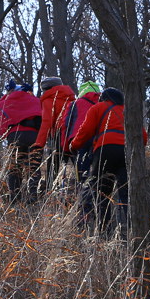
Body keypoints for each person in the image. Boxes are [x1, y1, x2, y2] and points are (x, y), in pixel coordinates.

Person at [67, 86, 146, 234]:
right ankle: (134, 230)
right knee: (126, 193)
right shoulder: (127, 110)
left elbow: (85, 131)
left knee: (102, 193)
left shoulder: (98, 108)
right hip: (126, 152)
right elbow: (143, 137)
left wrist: (73, 145)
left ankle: (105, 231)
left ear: (104, 98)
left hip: (104, 150)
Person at [0, 80, 43, 203]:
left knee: (14, 167)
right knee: (33, 166)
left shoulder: (7, 100)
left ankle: (15, 198)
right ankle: (33, 197)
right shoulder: (35, 100)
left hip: (15, 135)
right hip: (34, 135)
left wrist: (7, 94)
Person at [62, 80, 102, 223]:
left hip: (79, 142)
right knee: (97, 176)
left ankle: (84, 212)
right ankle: (97, 209)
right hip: (98, 142)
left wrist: (65, 149)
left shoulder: (74, 104)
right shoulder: (101, 105)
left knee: (82, 178)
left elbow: (65, 125)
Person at [33, 76, 77, 197]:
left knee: (54, 165)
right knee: (77, 165)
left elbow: (47, 122)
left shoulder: (49, 100)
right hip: (73, 134)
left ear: (46, 89)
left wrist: (39, 143)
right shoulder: (71, 98)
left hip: (59, 135)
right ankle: (84, 190)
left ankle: (48, 191)